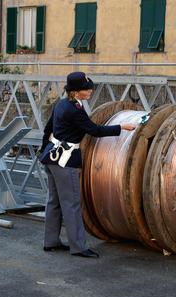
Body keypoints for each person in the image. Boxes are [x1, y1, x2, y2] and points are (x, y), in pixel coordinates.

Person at [39, 71, 136, 258]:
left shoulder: (61, 104)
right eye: (87, 88)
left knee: (54, 201)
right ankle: (79, 247)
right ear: (76, 92)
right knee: (72, 203)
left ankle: (50, 241)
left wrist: (43, 149)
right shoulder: (74, 110)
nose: (90, 90)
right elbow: (94, 130)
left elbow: (48, 128)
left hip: (51, 157)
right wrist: (121, 128)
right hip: (65, 160)